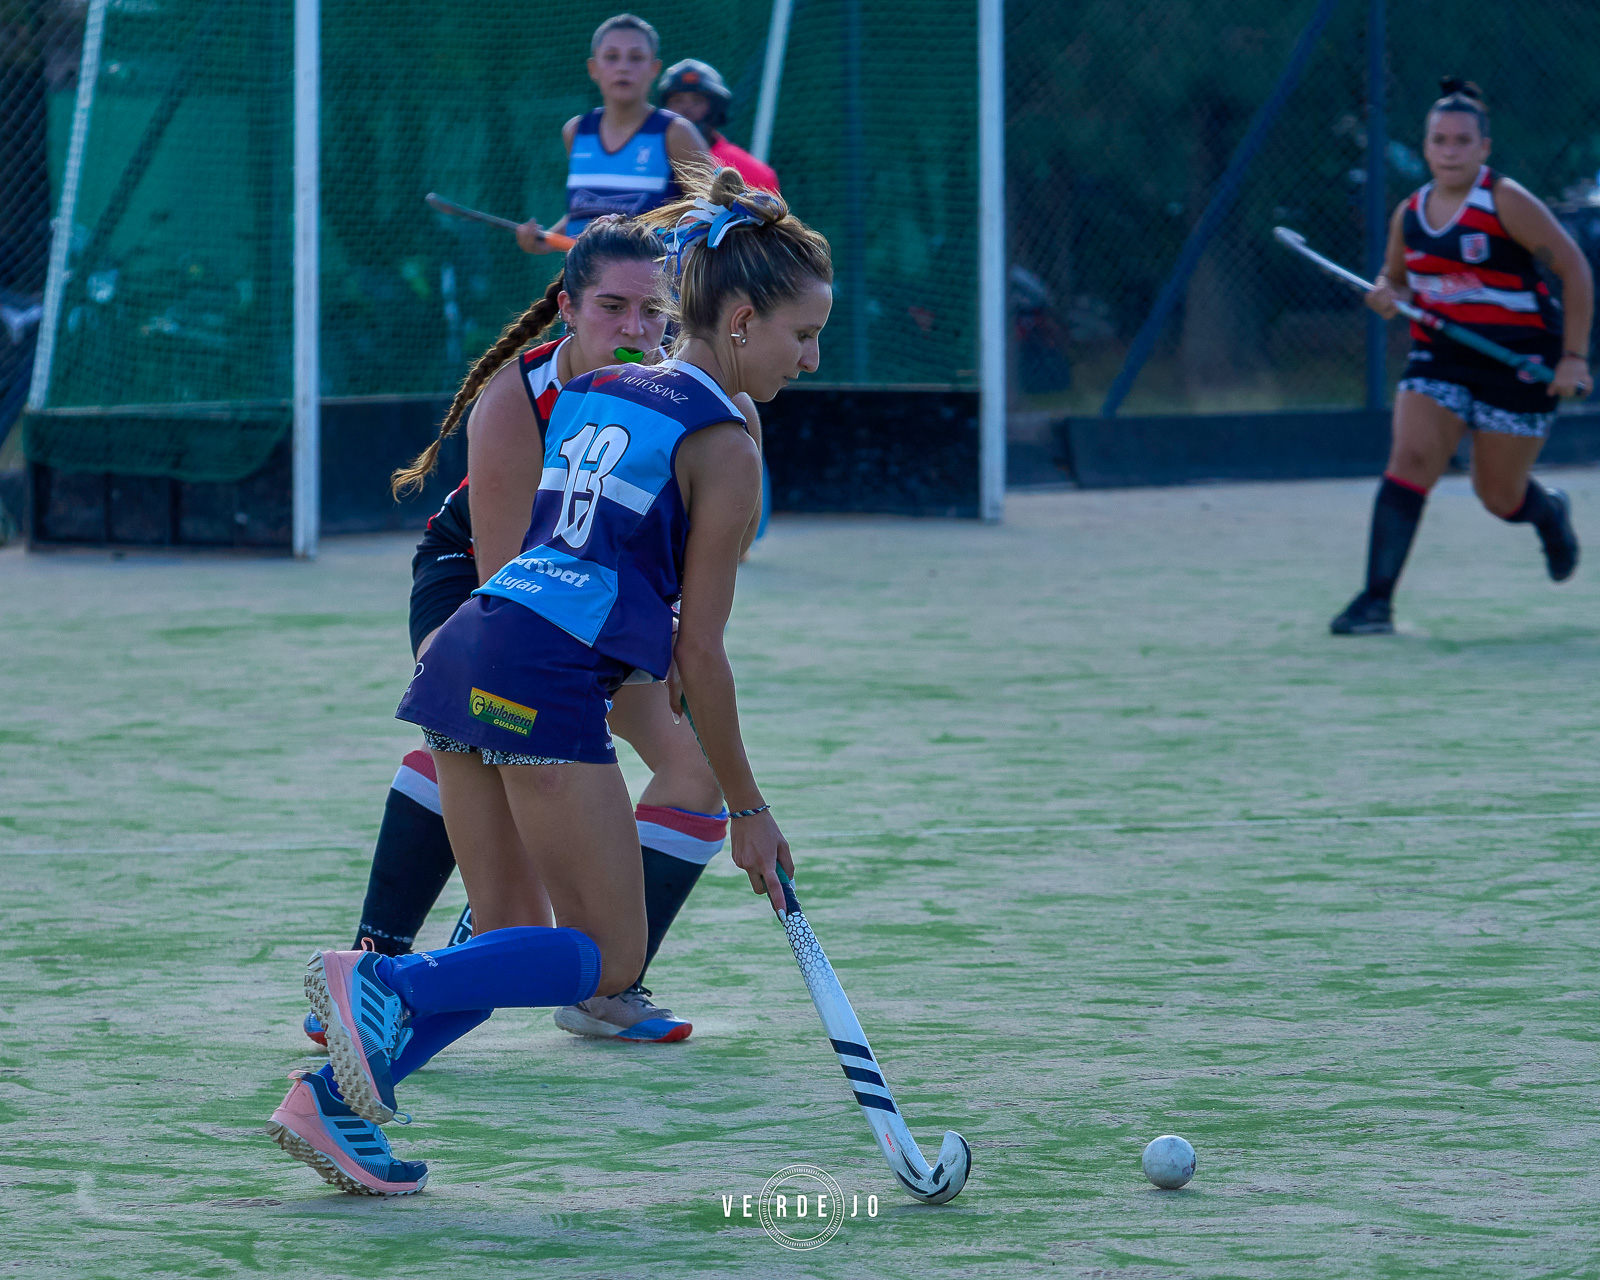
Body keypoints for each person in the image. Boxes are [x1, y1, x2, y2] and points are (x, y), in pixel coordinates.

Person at [266, 164, 832, 1195]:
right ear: (743, 320)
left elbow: (584, 553)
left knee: (511, 944)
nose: (812, 357)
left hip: (468, 647)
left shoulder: (597, 387)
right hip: (540, 676)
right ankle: (380, 975)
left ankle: (330, 1103)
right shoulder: (726, 444)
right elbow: (701, 654)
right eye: (803, 334)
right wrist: (748, 809)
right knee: (605, 957)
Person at [303, 218, 759, 1062]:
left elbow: (699, 548)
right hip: (488, 581)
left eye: (653, 311)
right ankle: (377, 957)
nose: (635, 328)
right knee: (470, 724)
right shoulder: (517, 399)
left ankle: (603, 985)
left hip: (600, 610)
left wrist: (665, 639)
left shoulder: (691, 404)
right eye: (612, 308)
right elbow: (513, 575)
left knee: (693, 775)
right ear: (567, 308)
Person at [1331, 78, 1593, 635]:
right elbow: (1396, 280)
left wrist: (1573, 357)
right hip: (1441, 357)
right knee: (1411, 458)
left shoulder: (1505, 202)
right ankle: (1375, 603)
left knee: (1498, 497)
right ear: (1426, 147)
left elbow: (1574, 270)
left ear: (1483, 148)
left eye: (1462, 141)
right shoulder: (1410, 213)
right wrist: (1386, 294)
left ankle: (1548, 513)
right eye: (1440, 141)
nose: (1450, 152)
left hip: (1518, 361)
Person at [515, 14, 709, 254]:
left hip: (654, 277)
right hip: (581, 277)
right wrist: (544, 241)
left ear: (654, 69)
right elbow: (583, 214)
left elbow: (712, 216)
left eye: (636, 58)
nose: (623, 67)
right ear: (593, 68)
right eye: (611, 57)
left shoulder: (676, 132)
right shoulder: (576, 132)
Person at [658, 58, 780, 194]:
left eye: (697, 101)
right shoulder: (645, 158)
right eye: (677, 101)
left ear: (716, 109)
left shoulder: (755, 173)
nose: (686, 109)